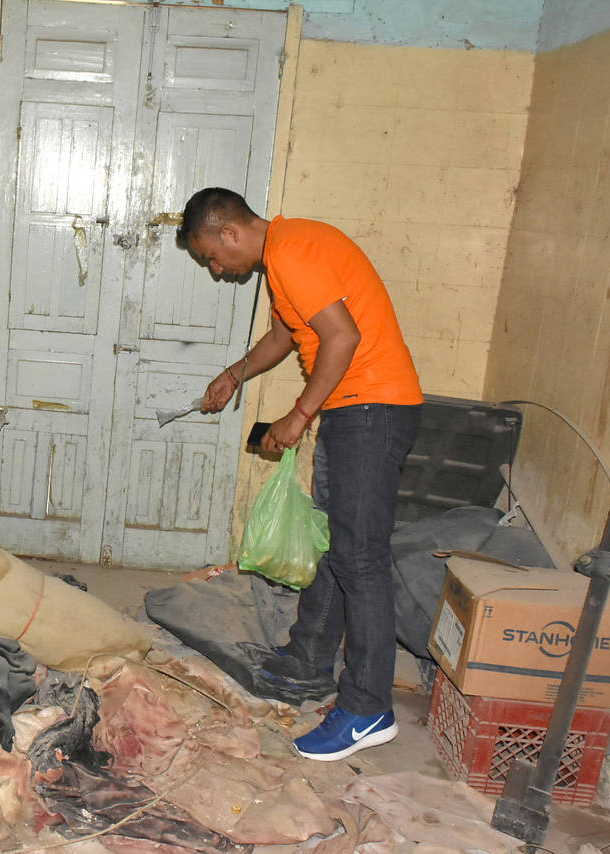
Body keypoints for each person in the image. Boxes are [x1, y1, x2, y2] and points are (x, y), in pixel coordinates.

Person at [177, 187, 422, 761]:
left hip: (372, 408)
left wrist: (299, 413)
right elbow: (286, 336)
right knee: (335, 545)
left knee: (361, 559)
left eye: (212, 257)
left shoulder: (294, 251)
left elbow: (343, 337)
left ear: (229, 232)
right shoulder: (286, 253)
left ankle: (368, 708)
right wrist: (234, 374)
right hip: (355, 408)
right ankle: (309, 659)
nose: (217, 270)